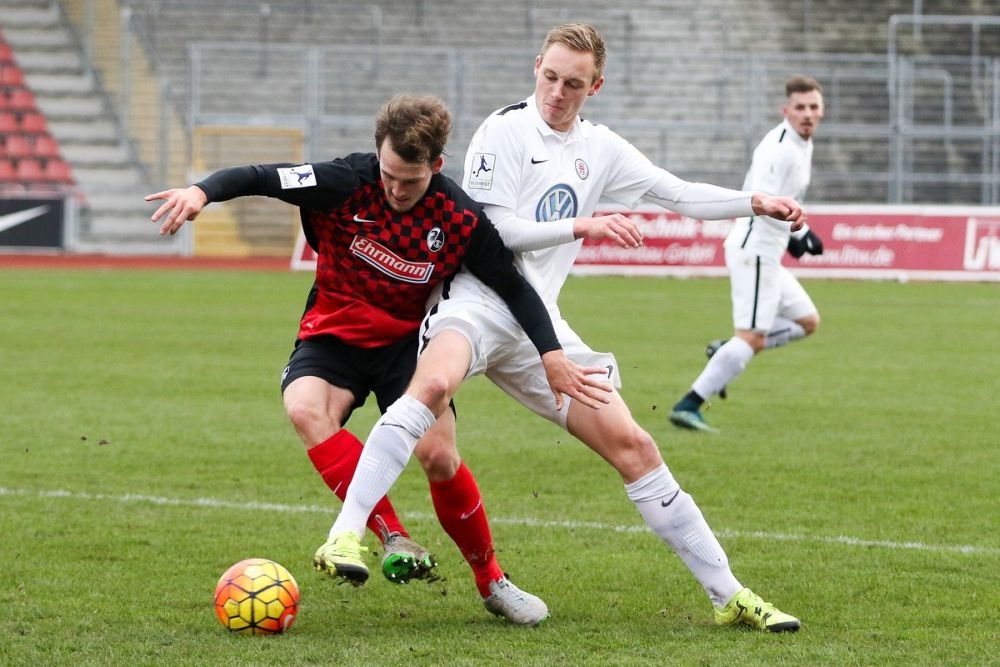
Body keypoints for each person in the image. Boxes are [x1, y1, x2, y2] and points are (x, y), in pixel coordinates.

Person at [318, 24, 803, 632]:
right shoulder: (505, 130)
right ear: (536, 69)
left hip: (539, 325)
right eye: (550, 77)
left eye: (573, 83)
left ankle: (728, 594)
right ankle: (345, 536)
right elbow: (494, 233)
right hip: (475, 301)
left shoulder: (599, 148)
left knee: (636, 448)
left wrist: (752, 201)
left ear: (594, 86)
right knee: (433, 387)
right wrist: (584, 224)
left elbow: (676, 194)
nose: (557, 92)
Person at [145, 93, 608, 626]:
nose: (395, 189)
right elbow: (260, 175)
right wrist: (201, 192)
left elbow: (514, 288)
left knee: (439, 457)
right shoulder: (344, 181)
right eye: (388, 174)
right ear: (377, 155)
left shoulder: (458, 217)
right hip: (334, 334)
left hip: (408, 349)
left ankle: (493, 582)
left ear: (436, 166)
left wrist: (551, 355)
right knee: (304, 409)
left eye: (409, 181)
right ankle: (389, 535)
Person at [669, 75, 825, 434]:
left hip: (767, 250)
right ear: (786, 110)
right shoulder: (780, 146)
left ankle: (727, 351)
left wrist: (802, 231)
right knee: (752, 337)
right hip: (755, 248)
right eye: (800, 107)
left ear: (821, 110)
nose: (807, 114)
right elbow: (763, 196)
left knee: (806, 321)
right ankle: (689, 403)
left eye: (813, 107)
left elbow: (785, 198)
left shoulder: (803, 142)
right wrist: (796, 234)